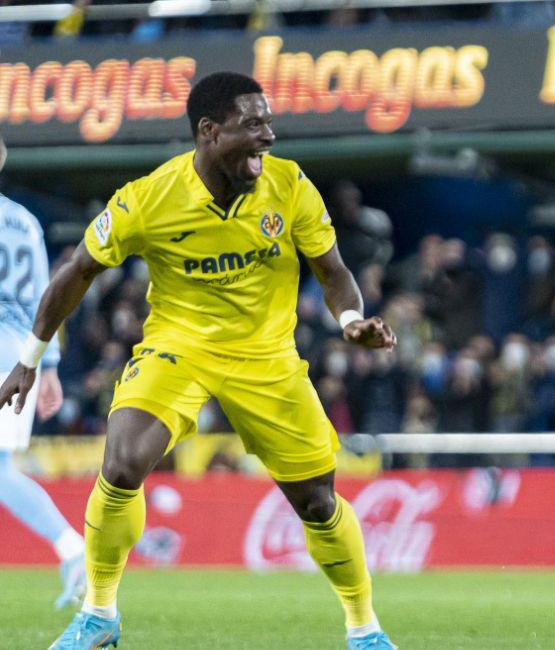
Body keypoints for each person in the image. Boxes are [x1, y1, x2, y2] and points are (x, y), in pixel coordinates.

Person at [0, 72, 398, 650]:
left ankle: (364, 629)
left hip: (267, 357)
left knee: (317, 502)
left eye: (268, 122)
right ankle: (99, 614)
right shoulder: (149, 198)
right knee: (121, 465)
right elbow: (76, 272)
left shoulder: (290, 186)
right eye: (253, 124)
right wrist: (31, 359)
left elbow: (332, 271)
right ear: (210, 131)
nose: (268, 136)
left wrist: (350, 320)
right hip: (178, 349)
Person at [0, 138, 86, 610]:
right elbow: (43, 298)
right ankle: (72, 549)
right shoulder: (24, 221)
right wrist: (47, 364)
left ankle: (72, 548)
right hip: (19, 354)